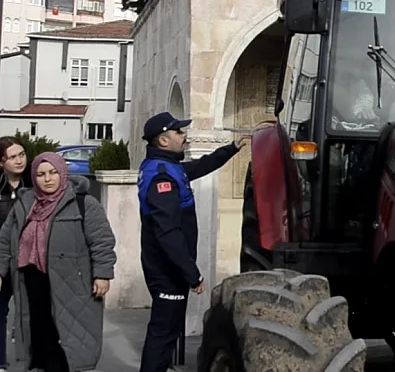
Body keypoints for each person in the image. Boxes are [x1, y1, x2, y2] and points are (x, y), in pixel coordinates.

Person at [138, 112, 251, 372]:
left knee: (167, 331)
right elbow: (168, 233)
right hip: (167, 270)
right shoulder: (161, 177)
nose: (184, 135)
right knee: (163, 333)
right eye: (178, 132)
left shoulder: (169, 167)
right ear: (163, 140)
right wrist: (192, 274)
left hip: (171, 268)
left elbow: (200, 166)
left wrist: (232, 148)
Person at [0, 152, 116, 372]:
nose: (48, 179)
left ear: (62, 173)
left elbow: (102, 241)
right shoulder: (25, 204)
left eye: (53, 172)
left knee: (67, 334)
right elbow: (5, 241)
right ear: (34, 177)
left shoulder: (83, 203)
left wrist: (103, 274)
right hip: (32, 280)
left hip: (72, 280)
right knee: (39, 333)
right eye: (42, 174)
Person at [0, 136, 31, 372]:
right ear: (2, 162)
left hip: (29, 260)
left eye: (22, 155)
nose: (19, 160)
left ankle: (33, 360)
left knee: (32, 312)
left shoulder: (35, 184)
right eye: (13, 157)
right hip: (2, 260)